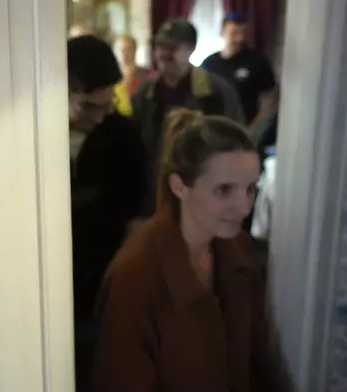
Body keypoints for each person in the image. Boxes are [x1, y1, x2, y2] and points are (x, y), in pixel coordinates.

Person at [92, 108, 291, 392]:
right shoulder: (135, 277)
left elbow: (260, 361)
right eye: (224, 190)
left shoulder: (238, 252)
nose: (244, 207)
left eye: (250, 189)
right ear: (179, 186)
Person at [67, 35, 147, 392]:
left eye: (108, 103)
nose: (102, 117)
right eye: (89, 107)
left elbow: (137, 217)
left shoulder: (123, 136)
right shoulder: (32, 133)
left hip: (101, 282)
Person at [131, 19, 245, 219]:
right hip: (152, 198)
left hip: (202, 198)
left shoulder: (215, 92)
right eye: (160, 46)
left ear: (191, 49)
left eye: (173, 47)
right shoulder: (144, 94)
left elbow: (237, 144)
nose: (164, 53)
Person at [202, 12, 278, 135]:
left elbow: (271, 97)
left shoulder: (257, 61)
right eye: (234, 33)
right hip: (213, 129)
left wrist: (256, 127)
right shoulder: (209, 63)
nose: (240, 38)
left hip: (244, 128)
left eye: (243, 33)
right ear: (222, 33)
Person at [112, 34, 153, 116]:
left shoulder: (147, 74)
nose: (124, 54)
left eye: (128, 49)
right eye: (121, 50)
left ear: (135, 50)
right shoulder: (111, 77)